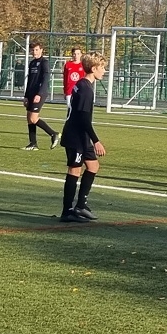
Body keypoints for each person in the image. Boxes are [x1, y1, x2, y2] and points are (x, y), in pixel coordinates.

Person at [60, 52, 107, 222]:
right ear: (93, 68)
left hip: (82, 135)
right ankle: (67, 211)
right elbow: (83, 119)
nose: (104, 71)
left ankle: (81, 205)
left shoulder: (82, 84)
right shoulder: (86, 89)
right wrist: (96, 141)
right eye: (102, 67)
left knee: (93, 166)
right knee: (75, 169)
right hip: (75, 135)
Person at [23, 42, 60, 151]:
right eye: (33, 50)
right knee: (29, 118)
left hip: (39, 94)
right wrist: (26, 96)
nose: (34, 52)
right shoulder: (32, 63)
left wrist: (39, 94)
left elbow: (45, 79)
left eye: (36, 50)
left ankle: (53, 134)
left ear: (41, 50)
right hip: (31, 93)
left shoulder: (44, 62)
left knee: (33, 118)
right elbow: (30, 80)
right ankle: (33, 144)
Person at [62, 47, 84, 116]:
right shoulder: (68, 64)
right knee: (70, 110)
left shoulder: (83, 65)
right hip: (69, 91)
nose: (76, 56)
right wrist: (65, 91)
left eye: (78, 54)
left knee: (79, 110)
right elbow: (65, 78)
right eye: (74, 54)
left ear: (81, 54)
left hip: (80, 91)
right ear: (72, 54)